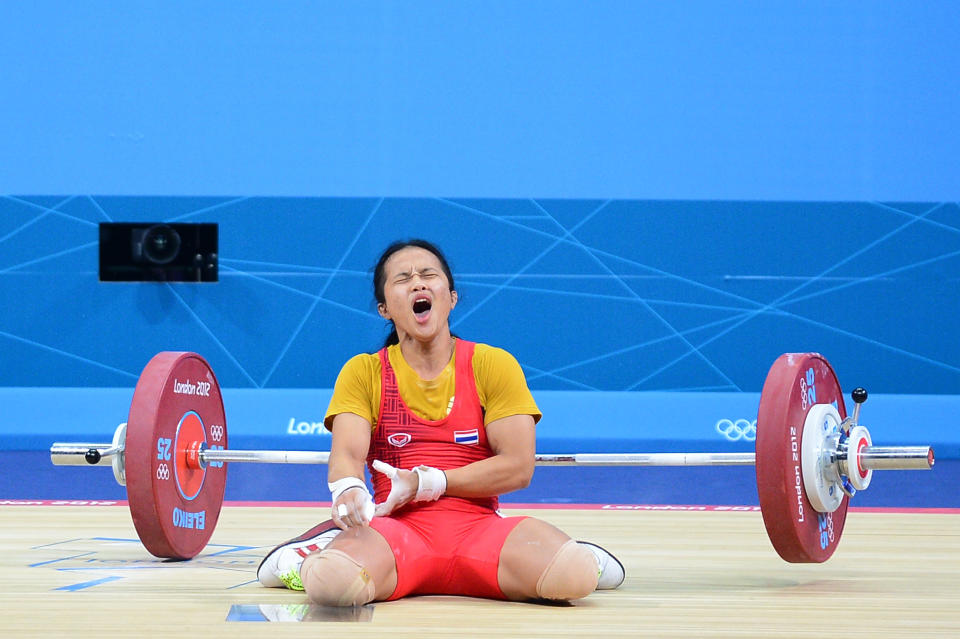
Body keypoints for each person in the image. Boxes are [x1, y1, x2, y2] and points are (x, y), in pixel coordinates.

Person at [258, 239, 624, 605]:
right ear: (384, 308)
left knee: (573, 576)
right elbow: (347, 457)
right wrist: (348, 490)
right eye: (403, 278)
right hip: (396, 533)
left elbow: (518, 467)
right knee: (331, 586)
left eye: (428, 275)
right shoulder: (364, 371)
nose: (418, 283)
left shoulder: (492, 365)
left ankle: (579, 553)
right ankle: (306, 556)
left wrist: (429, 483)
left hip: (479, 531)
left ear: (451, 297)